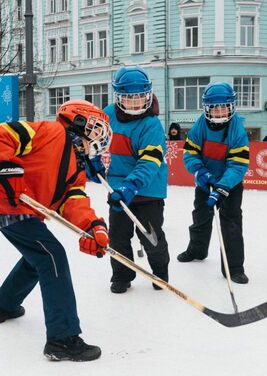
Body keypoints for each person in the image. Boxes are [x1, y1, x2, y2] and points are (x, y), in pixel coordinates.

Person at [0, 99, 112, 361]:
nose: (99, 138)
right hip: (8, 203)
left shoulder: (76, 166)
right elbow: (4, 135)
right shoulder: (49, 133)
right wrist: (7, 168)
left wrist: (93, 227)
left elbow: (74, 201)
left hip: (23, 211)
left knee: (37, 258)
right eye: (97, 130)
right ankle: (62, 339)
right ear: (80, 122)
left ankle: (4, 304)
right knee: (52, 255)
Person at [104, 65, 169, 294]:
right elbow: (94, 143)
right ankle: (122, 275)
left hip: (147, 188)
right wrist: (90, 163)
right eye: (129, 98)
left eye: (141, 97)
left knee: (150, 236)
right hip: (118, 188)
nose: (135, 103)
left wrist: (131, 185)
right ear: (118, 97)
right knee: (118, 237)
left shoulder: (151, 125)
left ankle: (160, 273)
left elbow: (150, 162)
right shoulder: (107, 115)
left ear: (148, 94)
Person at [177, 82, 250, 284]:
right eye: (214, 108)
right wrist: (200, 172)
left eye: (223, 107)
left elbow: (238, 165)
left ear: (231, 106)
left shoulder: (237, 130)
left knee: (231, 223)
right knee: (200, 217)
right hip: (205, 181)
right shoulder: (200, 125)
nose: (219, 112)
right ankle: (197, 250)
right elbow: (190, 152)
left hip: (229, 185)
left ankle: (234, 268)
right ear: (206, 108)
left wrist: (223, 186)